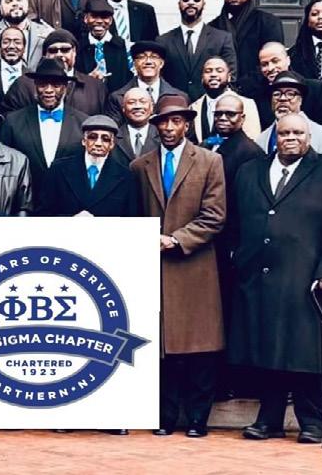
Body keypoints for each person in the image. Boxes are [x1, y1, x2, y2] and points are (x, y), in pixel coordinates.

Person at [228, 112, 322, 444]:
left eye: (298, 133)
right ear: (275, 137)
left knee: (307, 353)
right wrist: (239, 260)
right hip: (259, 278)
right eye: (284, 133)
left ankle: (313, 423)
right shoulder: (250, 171)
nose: (291, 138)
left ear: (309, 137)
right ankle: (269, 420)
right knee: (268, 352)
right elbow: (235, 222)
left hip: (308, 280)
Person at [129, 93, 226, 437]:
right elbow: (133, 213)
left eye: (176, 121)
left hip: (194, 265)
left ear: (187, 124)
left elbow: (215, 216)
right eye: (163, 122)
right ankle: (165, 417)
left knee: (200, 346)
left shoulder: (210, 161)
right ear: (155, 126)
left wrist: (176, 239)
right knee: (162, 347)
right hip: (154, 266)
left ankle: (198, 419)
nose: (169, 128)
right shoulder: (140, 166)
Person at [201, 94, 265, 401]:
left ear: (242, 118)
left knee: (229, 313)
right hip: (207, 241)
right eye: (219, 113)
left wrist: (237, 246)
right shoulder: (206, 145)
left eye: (230, 114)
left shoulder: (249, 152)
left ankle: (229, 381)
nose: (224, 118)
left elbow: (248, 204)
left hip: (231, 244)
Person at [0, 58, 88, 190]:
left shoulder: (83, 123)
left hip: (68, 199)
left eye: (56, 85)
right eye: (42, 84)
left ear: (65, 88)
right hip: (26, 198)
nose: (48, 90)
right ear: (35, 86)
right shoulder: (13, 122)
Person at [39, 115, 137, 217]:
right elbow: (43, 214)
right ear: (84, 141)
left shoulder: (125, 177)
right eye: (93, 137)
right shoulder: (58, 170)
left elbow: (130, 219)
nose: (98, 143)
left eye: (105, 139)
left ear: (112, 144)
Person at [209, 0, 284, 99]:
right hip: (221, 95)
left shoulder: (268, 22)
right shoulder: (212, 27)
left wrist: (242, 86)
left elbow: (273, 60)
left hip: (260, 93)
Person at [156, 0, 237, 100]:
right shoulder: (163, 41)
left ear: (203, 4)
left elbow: (231, 75)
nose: (191, 2)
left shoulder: (222, 38)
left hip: (211, 103)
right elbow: (158, 77)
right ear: (179, 4)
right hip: (175, 105)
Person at [1, 30, 107, 116]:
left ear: (74, 52)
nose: (59, 54)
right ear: (44, 55)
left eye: (65, 50)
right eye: (53, 51)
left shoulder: (95, 87)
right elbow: (9, 120)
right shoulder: (23, 85)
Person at [255, 71, 322, 160]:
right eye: (276, 94)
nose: (282, 98)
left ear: (300, 100)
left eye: (290, 94)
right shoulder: (261, 140)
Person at [253, 42, 322, 130]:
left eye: (275, 61)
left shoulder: (317, 89)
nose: (270, 68)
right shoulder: (258, 96)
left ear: (288, 60)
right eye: (264, 64)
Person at [104, 41, 183, 121]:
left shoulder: (179, 97)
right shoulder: (117, 98)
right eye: (142, 57)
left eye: (154, 57)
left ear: (161, 63)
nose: (148, 62)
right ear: (134, 64)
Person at [189, 57, 261, 141]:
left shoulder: (247, 104)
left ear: (229, 77)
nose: (213, 74)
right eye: (208, 71)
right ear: (202, 78)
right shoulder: (194, 107)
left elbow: (253, 138)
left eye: (219, 71)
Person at [76, 0, 131, 93]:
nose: (99, 21)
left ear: (111, 20)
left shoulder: (125, 47)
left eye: (104, 17)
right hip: (87, 96)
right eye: (94, 16)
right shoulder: (77, 47)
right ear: (86, 18)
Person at [111, 87, 160, 166]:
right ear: (123, 108)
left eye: (143, 102)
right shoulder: (113, 137)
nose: (137, 106)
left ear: (151, 108)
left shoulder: (161, 136)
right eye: (131, 102)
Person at [0, 26, 26, 104]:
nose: (11, 46)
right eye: (6, 42)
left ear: (24, 48)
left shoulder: (31, 77)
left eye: (17, 42)